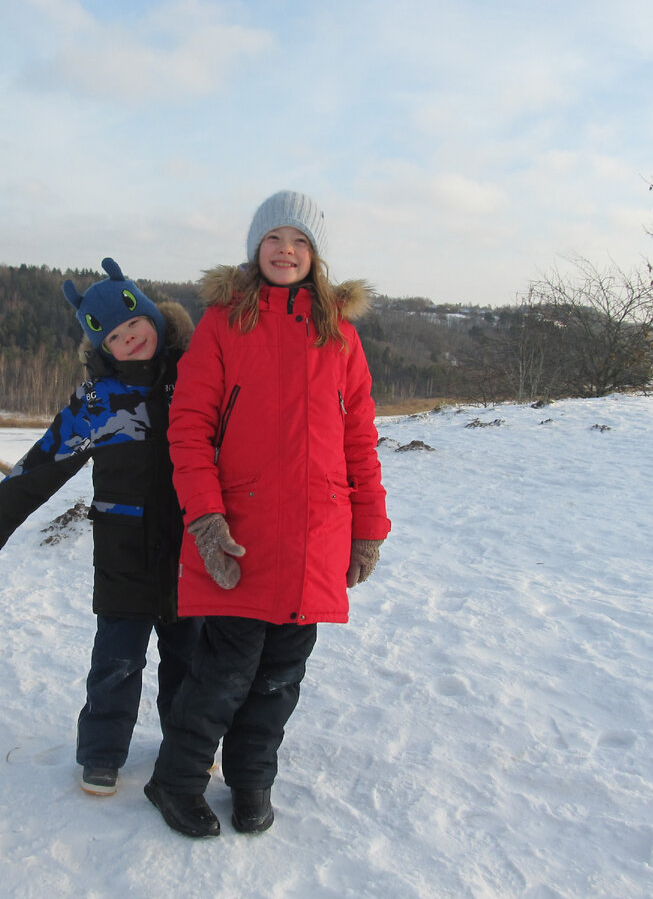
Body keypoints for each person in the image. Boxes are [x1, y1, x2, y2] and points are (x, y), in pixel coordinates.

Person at [143, 191, 391, 837]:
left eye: (301, 241)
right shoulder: (225, 325)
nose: (287, 250)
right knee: (223, 675)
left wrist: (368, 529)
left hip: (317, 536)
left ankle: (253, 782)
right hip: (241, 534)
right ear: (256, 249)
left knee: (281, 678)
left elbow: (360, 439)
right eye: (276, 238)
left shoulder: (341, 336)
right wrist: (204, 519)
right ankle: (175, 782)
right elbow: (189, 429)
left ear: (318, 257)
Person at [0, 257, 200, 797]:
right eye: (114, 335)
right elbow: (42, 464)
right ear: (101, 346)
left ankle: (189, 749)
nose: (129, 338)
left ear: (154, 317)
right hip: (123, 553)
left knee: (190, 660)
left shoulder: (196, 378)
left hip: (190, 550)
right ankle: (101, 755)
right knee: (115, 662)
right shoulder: (95, 403)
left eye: (133, 323)